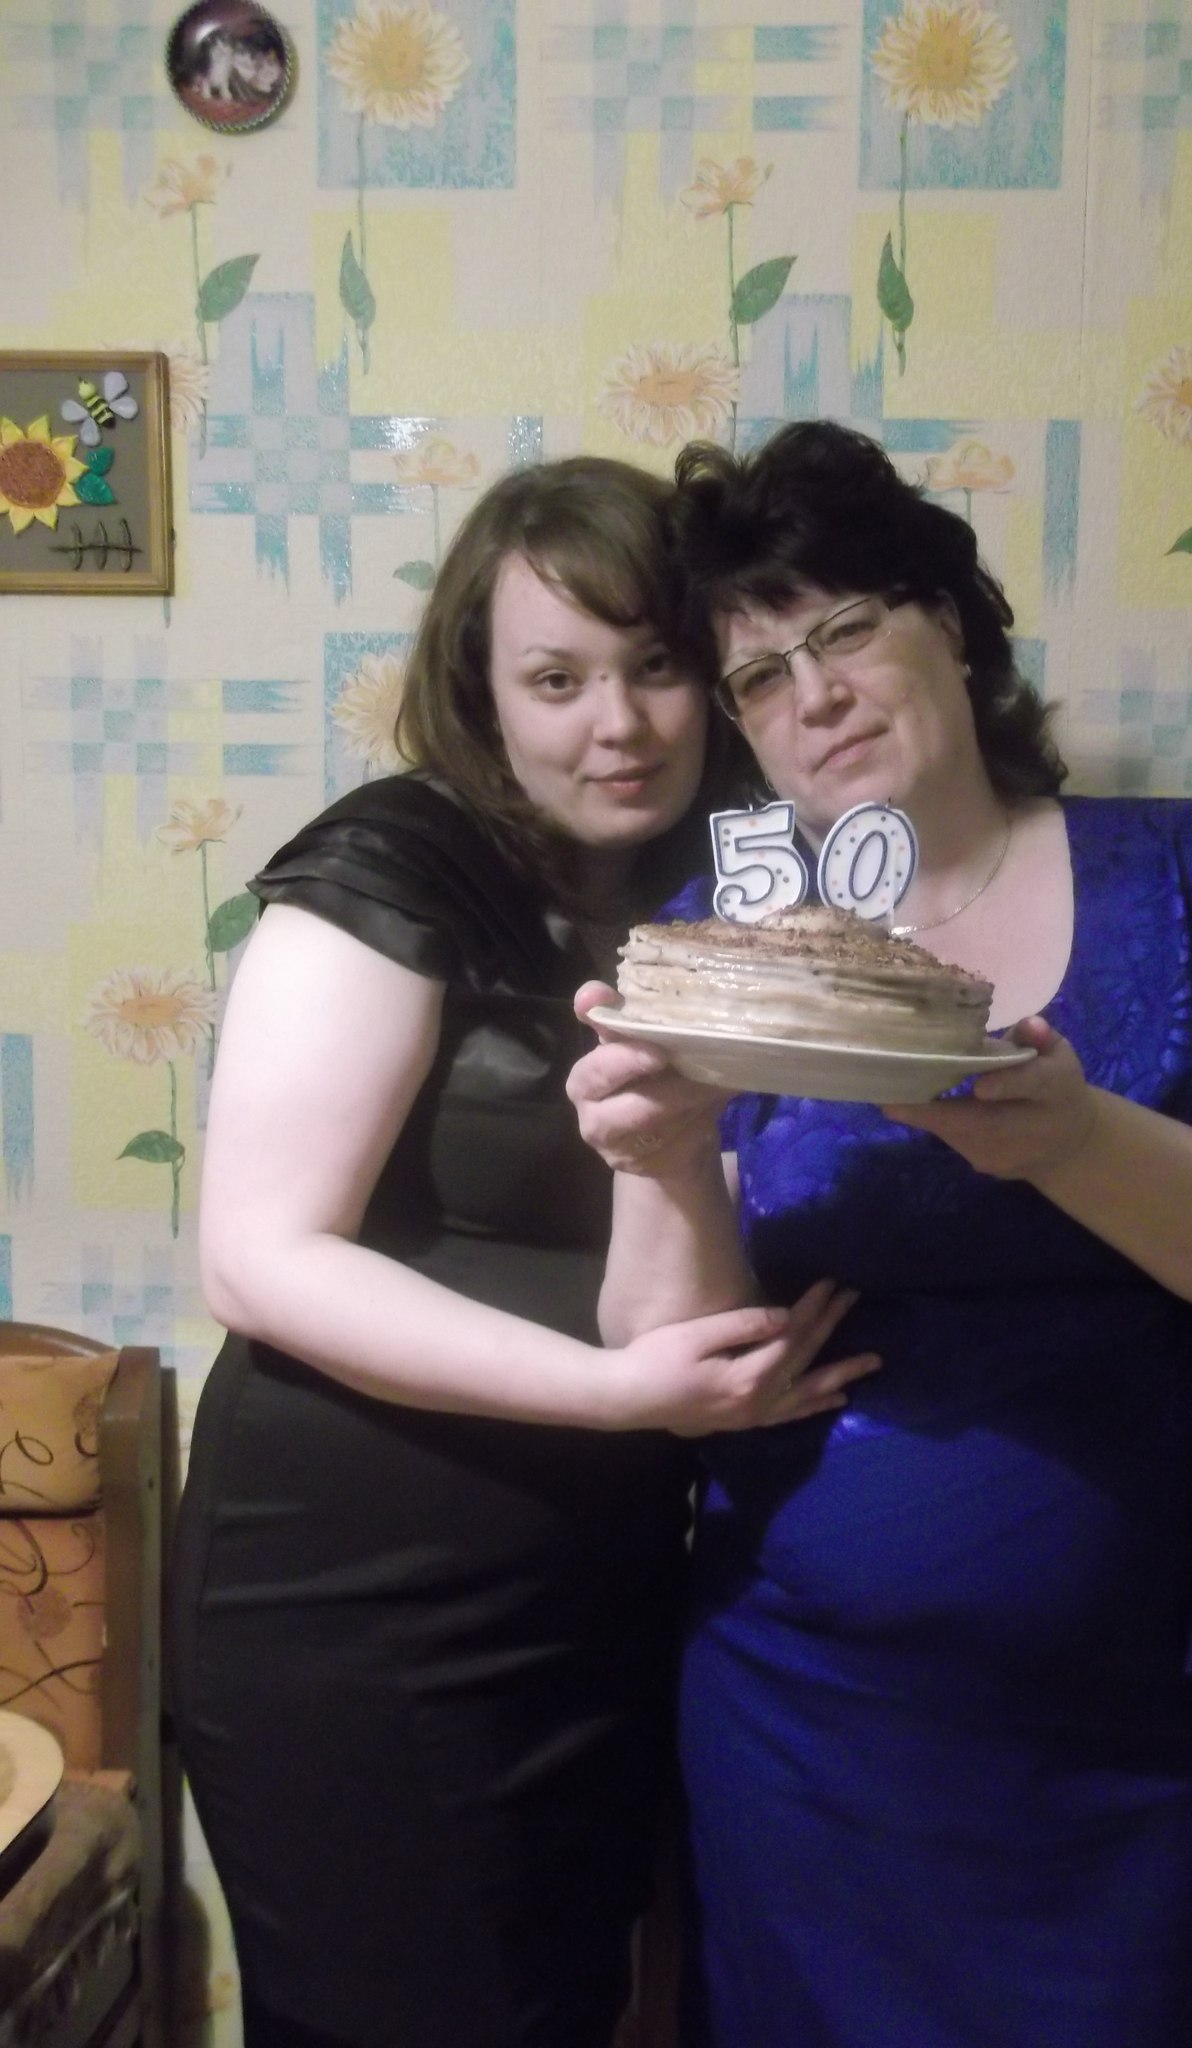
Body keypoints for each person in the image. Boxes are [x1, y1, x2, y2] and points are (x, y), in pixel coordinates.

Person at [566, 421, 1192, 2048]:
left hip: (1115, 1737)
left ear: (949, 620)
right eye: (759, 677)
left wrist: (1078, 1142)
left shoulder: (1182, 875)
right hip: (799, 1721)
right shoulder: (721, 949)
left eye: (847, 628)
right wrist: (659, 1158)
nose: (814, 695)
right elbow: (659, 1354)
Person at [169, 455, 879, 2048]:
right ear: (483, 694)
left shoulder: (732, 892)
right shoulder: (394, 867)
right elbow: (259, 1260)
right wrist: (619, 1397)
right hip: (356, 1603)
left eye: (656, 665)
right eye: (557, 680)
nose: (618, 725)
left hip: (600, 1589)